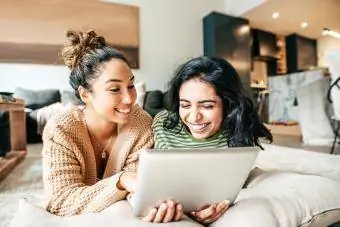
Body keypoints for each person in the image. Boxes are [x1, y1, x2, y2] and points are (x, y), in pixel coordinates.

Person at [42, 30, 182, 223]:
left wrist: (148, 203)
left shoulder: (141, 122)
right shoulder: (61, 129)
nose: (129, 98)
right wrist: (121, 180)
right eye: (115, 89)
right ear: (85, 95)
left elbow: (137, 187)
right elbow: (61, 201)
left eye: (131, 86)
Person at [152, 56, 273, 225]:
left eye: (207, 106)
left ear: (228, 105)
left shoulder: (238, 131)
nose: (194, 117)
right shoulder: (163, 124)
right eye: (185, 105)